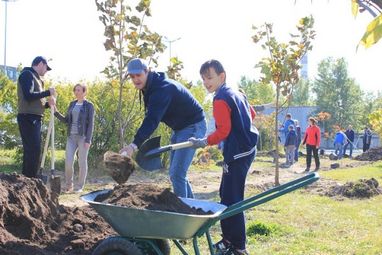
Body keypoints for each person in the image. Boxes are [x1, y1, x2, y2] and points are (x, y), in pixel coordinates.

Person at [189, 60, 258, 255]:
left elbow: (224, 131)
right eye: (203, 79)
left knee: (232, 199)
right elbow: (251, 114)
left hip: (237, 152)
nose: (206, 82)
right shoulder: (236, 92)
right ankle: (229, 239)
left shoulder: (220, 99)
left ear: (222, 76)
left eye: (209, 77)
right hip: (248, 148)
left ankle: (238, 247)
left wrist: (205, 141)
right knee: (226, 193)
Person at [120, 58, 206, 198]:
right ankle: (192, 209)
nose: (136, 79)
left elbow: (152, 120)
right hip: (180, 128)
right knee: (176, 174)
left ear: (147, 71)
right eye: (132, 76)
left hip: (193, 126)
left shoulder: (161, 89)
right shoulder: (150, 86)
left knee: (177, 174)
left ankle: (182, 215)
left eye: (139, 75)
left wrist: (134, 145)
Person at [17, 56, 55, 178]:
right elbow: (28, 95)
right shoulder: (27, 74)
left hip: (35, 118)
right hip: (27, 117)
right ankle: (29, 179)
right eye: (46, 68)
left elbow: (37, 102)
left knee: (33, 150)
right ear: (40, 64)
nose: (46, 71)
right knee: (32, 150)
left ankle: (28, 178)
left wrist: (48, 104)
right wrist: (47, 92)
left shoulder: (39, 80)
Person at [54, 83, 95, 193]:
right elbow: (66, 120)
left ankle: (79, 186)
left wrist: (88, 140)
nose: (76, 92)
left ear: (84, 92)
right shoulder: (72, 104)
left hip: (83, 137)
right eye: (75, 90)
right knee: (68, 162)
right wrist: (56, 112)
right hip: (71, 137)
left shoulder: (89, 106)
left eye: (79, 90)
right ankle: (69, 186)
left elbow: (91, 124)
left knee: (82, 162)